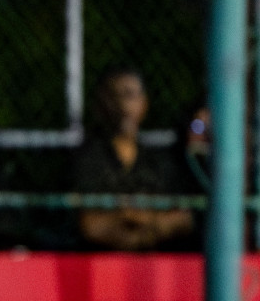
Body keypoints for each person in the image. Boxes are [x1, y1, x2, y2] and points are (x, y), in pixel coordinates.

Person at [73, 68, 194, 252]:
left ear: (144, 103)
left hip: (154, 258)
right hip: (101, 259)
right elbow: (89, 226)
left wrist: (142, 220)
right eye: (114, 96)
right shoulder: (88, 158)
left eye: (130, 95)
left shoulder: (159, 160)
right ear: (101, 105)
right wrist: (131, 217)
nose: (123, 105)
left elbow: (183, 219)